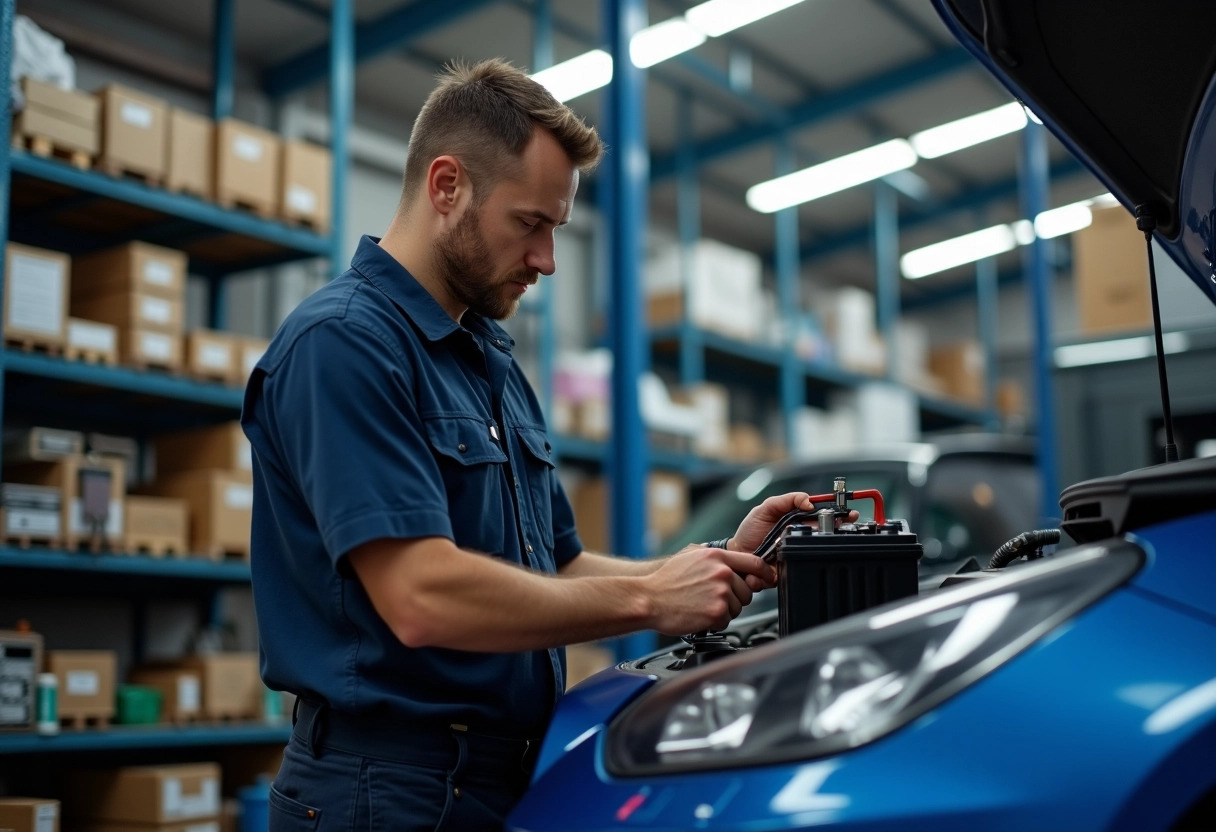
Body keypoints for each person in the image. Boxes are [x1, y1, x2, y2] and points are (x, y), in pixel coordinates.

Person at [242, 58, 835, 831]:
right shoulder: (345, 345)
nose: (548, 261)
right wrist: (652, 598)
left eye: (556, 230)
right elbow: (420, 595)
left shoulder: (486, 355)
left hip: (498, 777)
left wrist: (712, 567)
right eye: (530, 224)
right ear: (446, 186)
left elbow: (556, 566)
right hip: (383, 790)